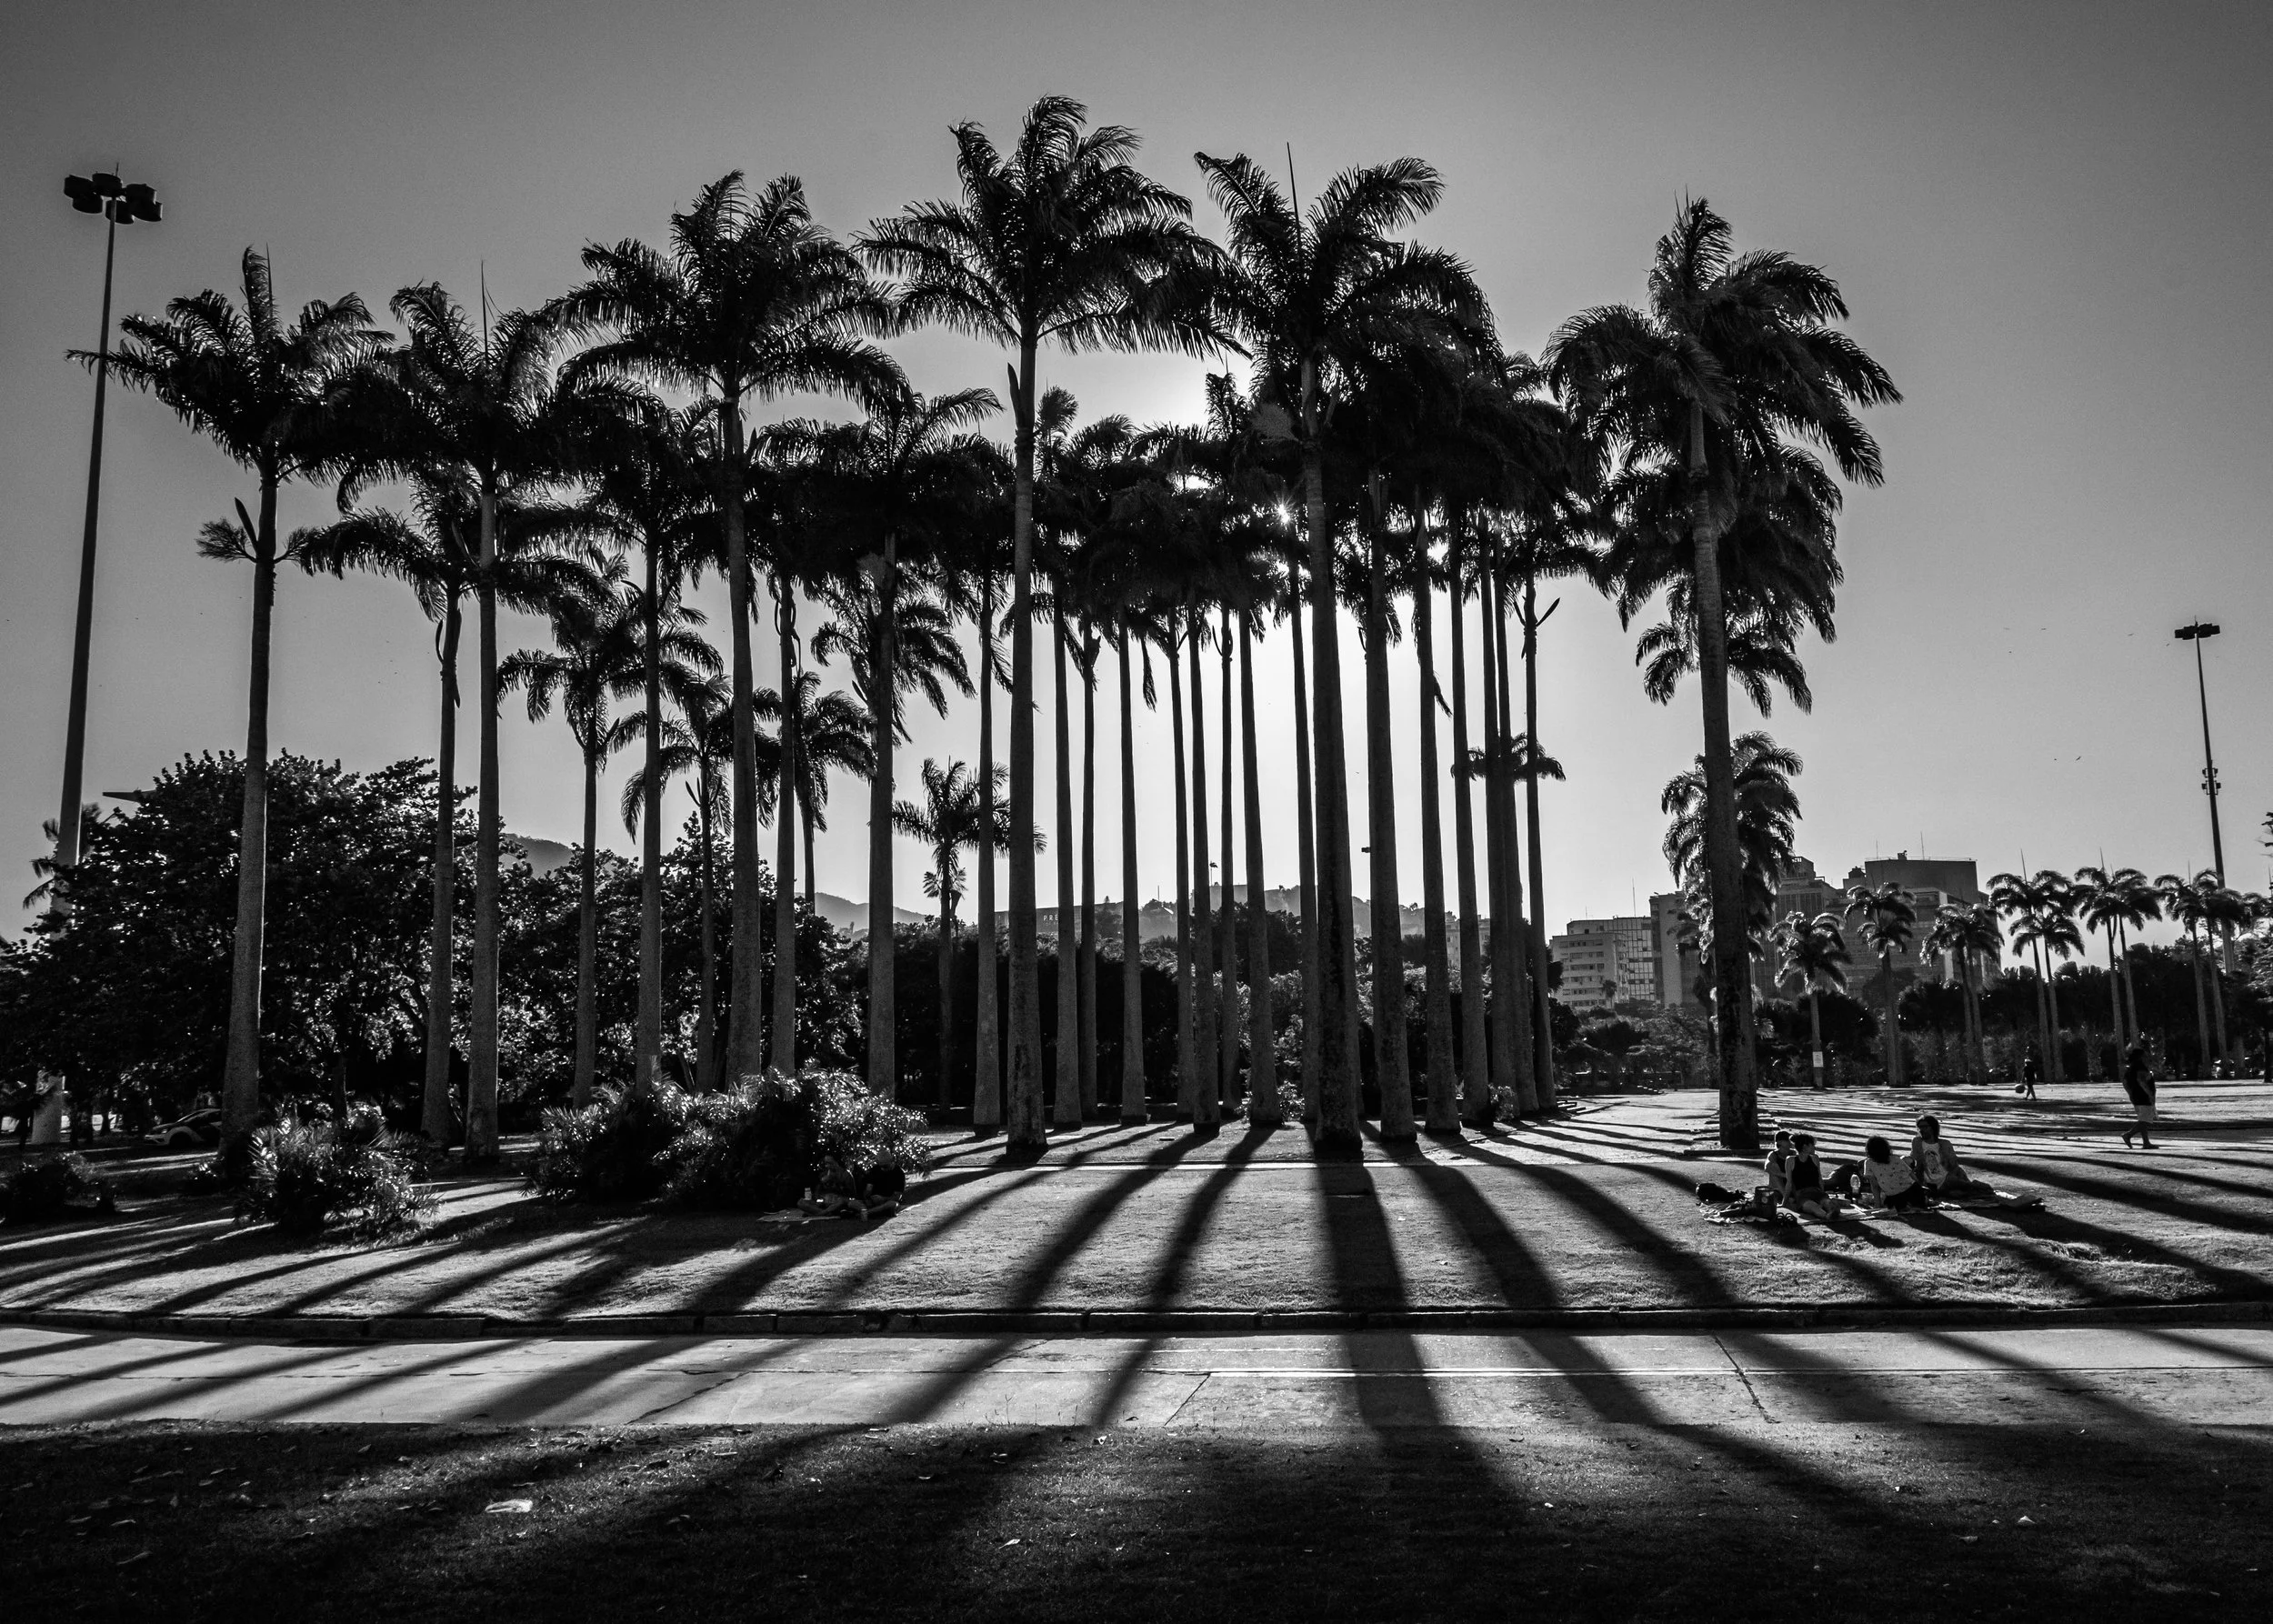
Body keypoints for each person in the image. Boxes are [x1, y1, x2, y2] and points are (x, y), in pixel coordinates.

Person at [1908, 1114, 2039, 1207]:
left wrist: (1953, 1176)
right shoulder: (1917, 1141)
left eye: (1925, 1126)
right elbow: (1915, 1161)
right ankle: (1979, 1189)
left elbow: (1954, 1165)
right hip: (1931, 1180)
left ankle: (1986, 1190)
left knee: (1965, 1188)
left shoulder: (1945, 1143)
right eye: (1919, 1127)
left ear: (1933, 1127)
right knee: (1957, 1195)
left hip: (1947, 1176)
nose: (1921, 1129)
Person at [1858, 1134, 1934, 1211]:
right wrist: (1920, 1187)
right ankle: (1919, 1201)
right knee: (1917, 1202)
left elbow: (1874, 1186)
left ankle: (1909, 1205)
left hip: (1895, 1196)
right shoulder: (1896, 1159)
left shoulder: (1869, 1163)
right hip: (1914, 1190)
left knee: (1892, 1205)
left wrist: (1877, 1204)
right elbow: (1912, 1175)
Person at [2121, 1041, 2158, 1149]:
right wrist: (2150, 1094)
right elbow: (2141, 1081)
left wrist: (2130, 1094)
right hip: (2143, 1096)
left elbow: (2125, 1083)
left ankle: (2146, 1143)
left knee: (2143, 1119)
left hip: (2135, 1096)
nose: (2146, 1057)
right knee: (2145, 1120)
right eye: (2145, 1055)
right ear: (2141, 1056)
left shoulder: (2130, 1068)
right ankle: (2128, 1135)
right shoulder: (2139, 1066)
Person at [1764, 1130, 1795, 1203]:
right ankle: (1786, 1197)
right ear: (1779, 1142)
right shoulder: (1774, 1154)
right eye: (1787, 1140)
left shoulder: (1793, 1153)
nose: (1790, 1142)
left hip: (1791, 1184)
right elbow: (1767, 1168)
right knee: (1774, 1170)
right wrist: (1786, 1175)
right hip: (1778, 1186)